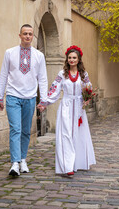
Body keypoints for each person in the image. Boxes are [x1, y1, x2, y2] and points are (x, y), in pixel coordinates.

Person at [38, 45, 96, 177]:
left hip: (79, 109)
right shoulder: (62, 74)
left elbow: (89, 88)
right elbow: (54, 90)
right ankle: (67, 166)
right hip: (66, 107)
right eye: (69, 57)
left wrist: (87, 98)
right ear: (67, 59)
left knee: (78, 134)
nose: (71, 60)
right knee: (66, 135)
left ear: (79, 59)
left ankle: (78, 163)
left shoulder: (83, 74)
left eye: (74, 57)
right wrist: (44, 102)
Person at [0, 24, 48, 176]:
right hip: (13, 96)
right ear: (19, 35)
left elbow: (43, 79)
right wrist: (0, 96)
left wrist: (43, 100)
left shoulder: (39, 56)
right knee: (15, 129)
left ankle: (23, 160)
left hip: (30, 98)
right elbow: (3, 75)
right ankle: (14, 163)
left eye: (30, 34)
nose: (27, 36)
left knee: (26, 131)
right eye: (25, 33)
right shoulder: (10, 53)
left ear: (33, 36)